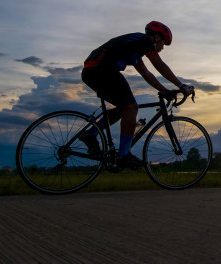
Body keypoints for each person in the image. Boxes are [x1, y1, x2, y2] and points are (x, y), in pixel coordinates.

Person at [80, 21, 192, 169]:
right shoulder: (145, 40)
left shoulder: (135, 50)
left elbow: (147, 74)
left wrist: (164, 90)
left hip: (92, 71)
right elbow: (160, 65)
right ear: (157, 37)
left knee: (124, 108)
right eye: (164, 43)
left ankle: (92, 133)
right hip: (102, 69)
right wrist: (181, 86)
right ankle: (124, 155)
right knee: (132, 107)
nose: (162, 48)